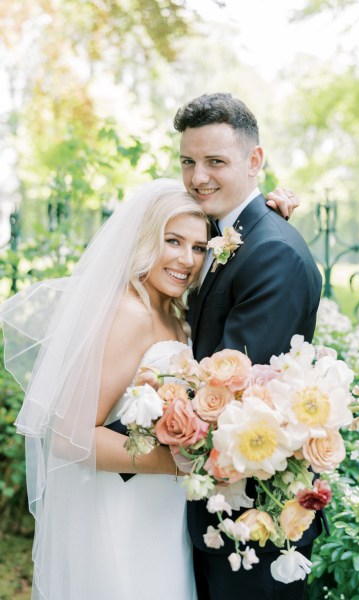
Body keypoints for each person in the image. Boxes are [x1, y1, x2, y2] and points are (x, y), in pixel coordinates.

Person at [0, 179, 209, 600]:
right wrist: (184, 463)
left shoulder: (175, 315)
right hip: (124, 508)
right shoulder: (129, 313)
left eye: (200, 247)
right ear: (146, 240)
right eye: (173, 241)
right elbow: (69, 436)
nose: (187, 259)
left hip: (163, 509)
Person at [173, 92, 324, 600]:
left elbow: (232, 393)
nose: (198, 177)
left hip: (250, 519)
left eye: (216, 161)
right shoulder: (230, 234)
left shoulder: (270, 253)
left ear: (255, 160)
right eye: (188, 162)